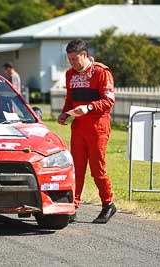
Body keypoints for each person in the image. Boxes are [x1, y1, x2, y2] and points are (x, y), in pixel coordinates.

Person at [58, 39, 116, 224]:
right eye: (69, 59)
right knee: (77, 169)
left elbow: (109, 101)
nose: (72, 63)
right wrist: (64, 114)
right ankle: (72, 206)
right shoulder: (70, 75)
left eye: (75, 58)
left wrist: (89, 108)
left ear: (84, 55)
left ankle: (108, 204)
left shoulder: (101, 72)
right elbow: (70, 98)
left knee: (97, 169)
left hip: (98, 126)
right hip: (79, 127)